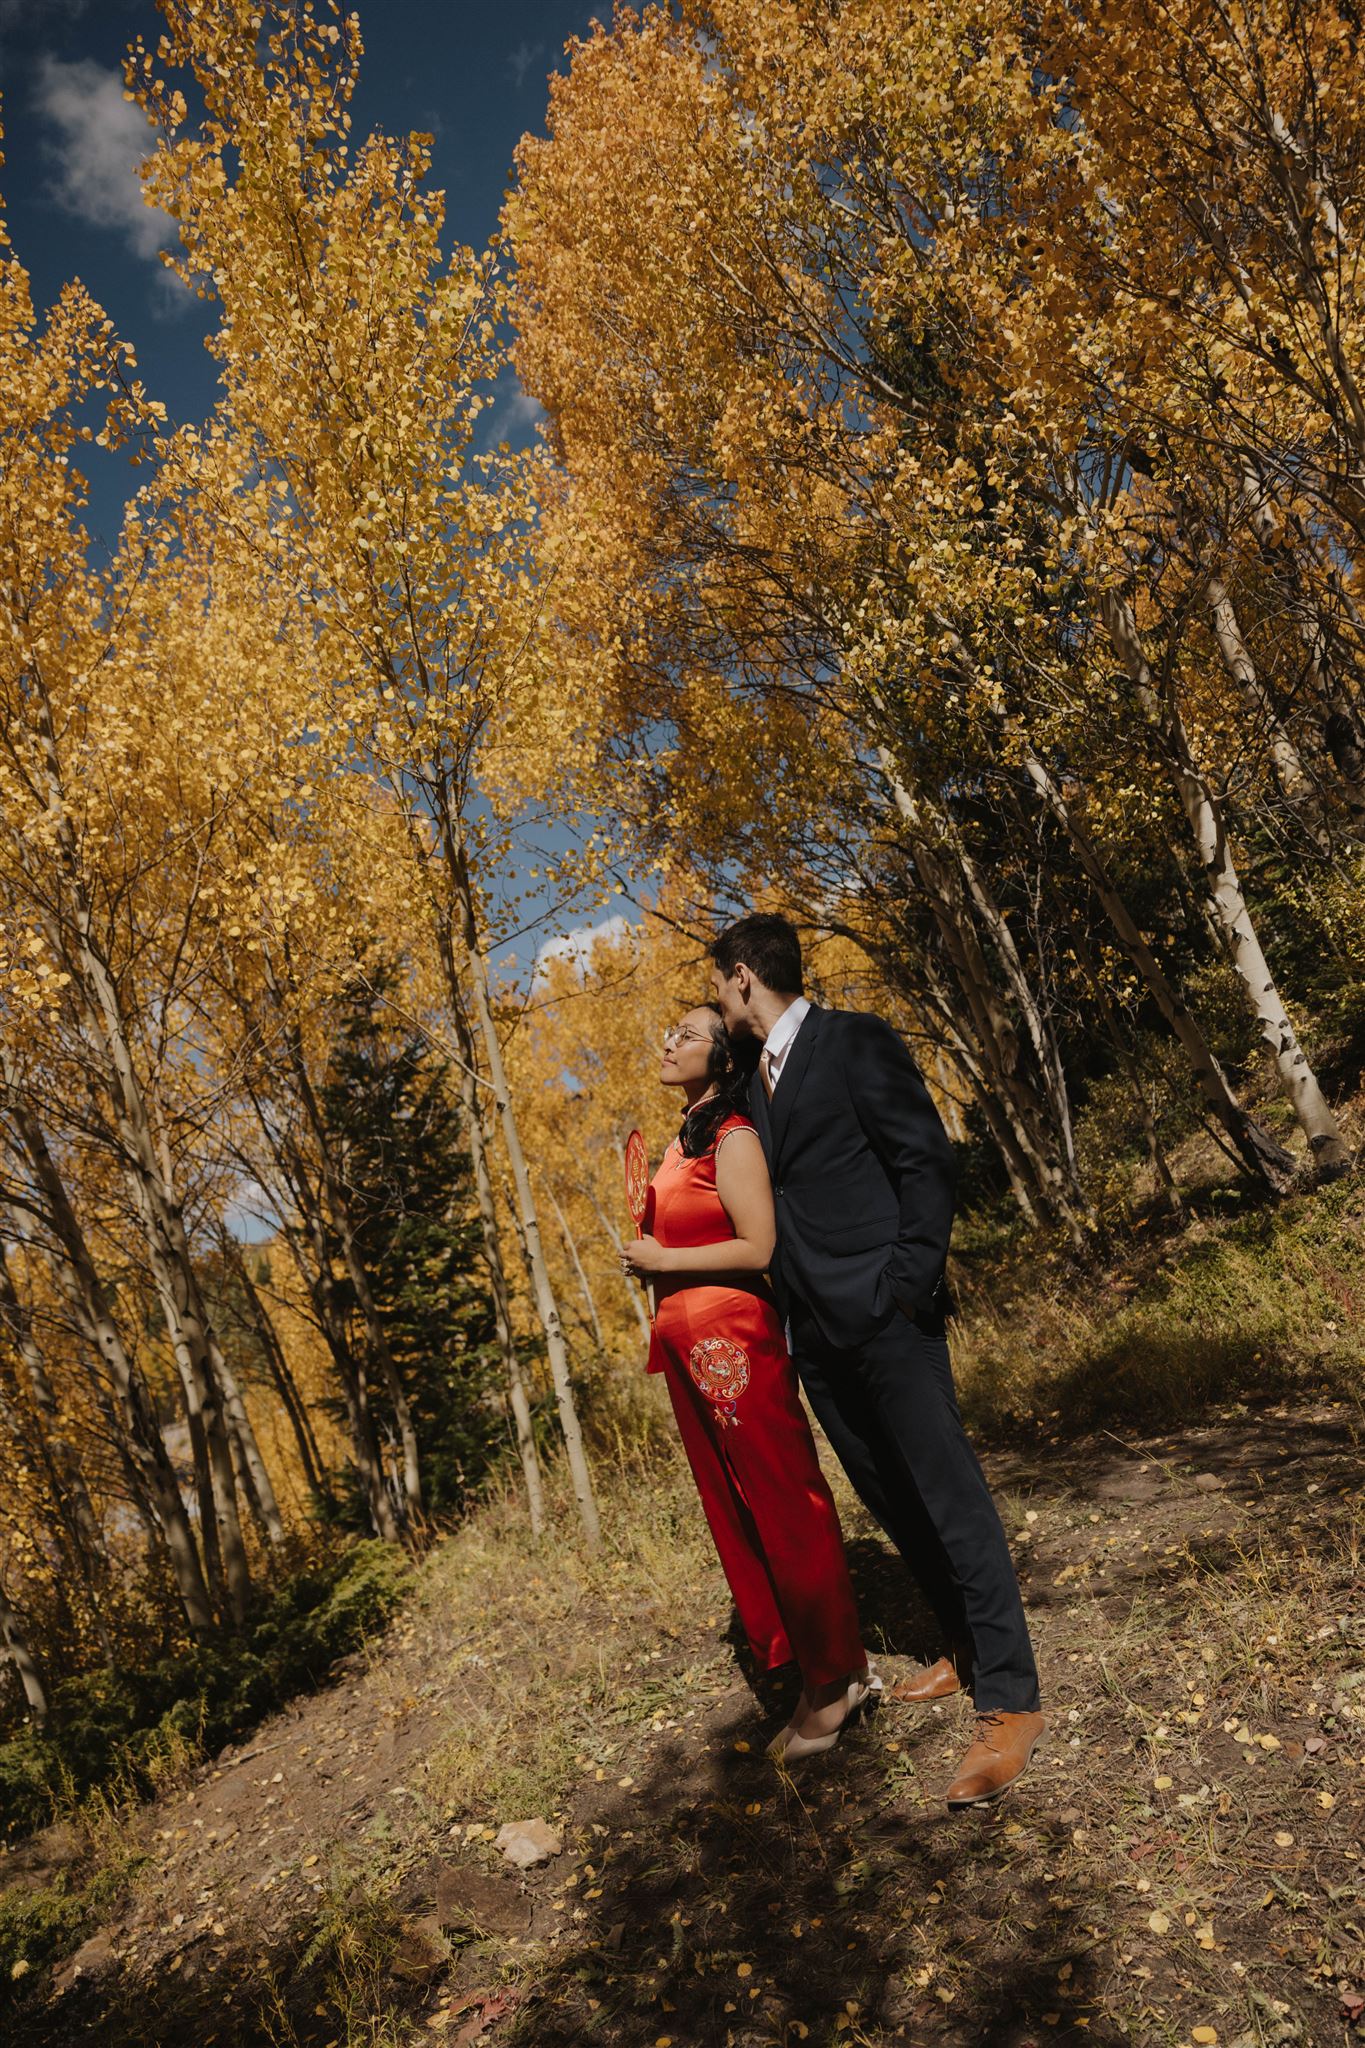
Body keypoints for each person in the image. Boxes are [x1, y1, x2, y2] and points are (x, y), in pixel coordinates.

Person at [709, 914, 1044, 1810]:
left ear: (742, 978)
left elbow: (924, 1160)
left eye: (717, 986)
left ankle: (1009, 1696)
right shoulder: (752, 1077)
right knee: (891, 1497)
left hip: (888, 1315)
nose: (715, 1001)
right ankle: (963, 1646)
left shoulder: (854, 1040)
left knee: (948, 1491)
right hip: (813, 1334)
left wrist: (905, 1284)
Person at [621, 1004, 876, 1762]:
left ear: (724, 1058)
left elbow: (758, 1245)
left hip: (731, 1340)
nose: (668, 1040)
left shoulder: (732, 1138)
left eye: (688, 1034)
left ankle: (839, 1678)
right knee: (736, 1511)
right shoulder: (678, 1139)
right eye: (667, 1030)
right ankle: (812, 1668)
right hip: (685, 1345)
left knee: (781, 1498)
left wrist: (662, 1262)